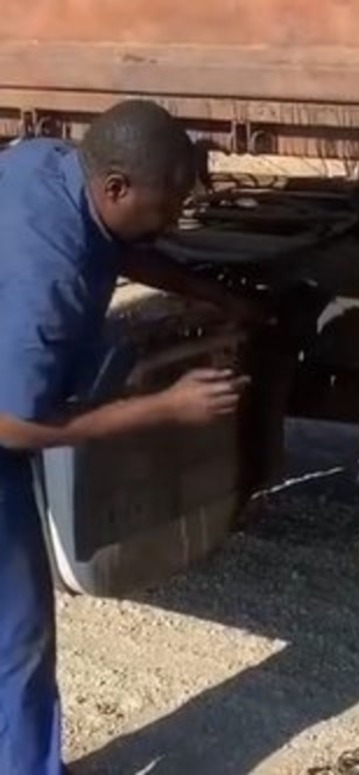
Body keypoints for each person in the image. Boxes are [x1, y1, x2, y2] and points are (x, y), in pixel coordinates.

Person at [0, 100, 258, 774]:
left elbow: (118, 246)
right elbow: (12, 422)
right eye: (166, 209)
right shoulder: (47, 279)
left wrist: (211, 292)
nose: (171, 224)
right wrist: (165, 408)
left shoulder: (47, 165)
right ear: (115, 187)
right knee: (18, 639)